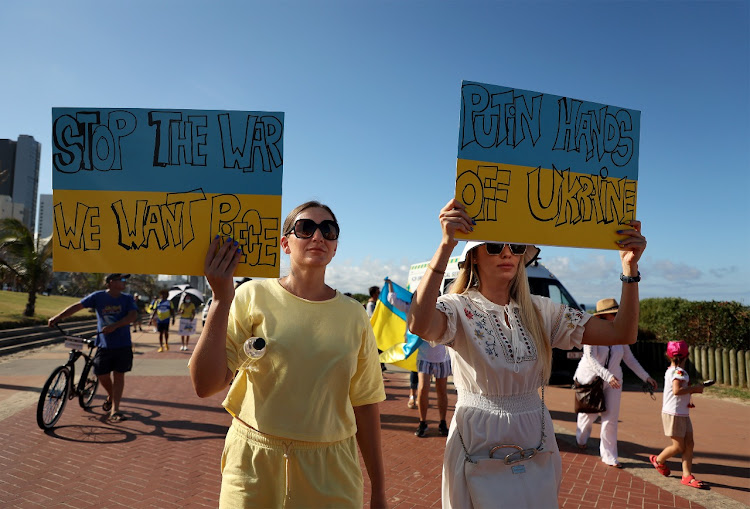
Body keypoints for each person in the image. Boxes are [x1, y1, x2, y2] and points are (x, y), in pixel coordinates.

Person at [408, 199, 647, 508]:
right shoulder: (458, 307)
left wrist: (630, 269)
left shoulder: (541, 310)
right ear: (473, 256)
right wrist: (445, 246)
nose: (507, 252)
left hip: (534, 431)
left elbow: (621, 333)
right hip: (476, 431)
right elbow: (418, 324)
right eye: (494, 245)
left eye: (517, 245)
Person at [190, 201, 387, 508]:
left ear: (335, 248)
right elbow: (205, 384)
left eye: (329, 230)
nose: (318, 236)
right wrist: (219, 300)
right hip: (253, 463)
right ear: (285, 243)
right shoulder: (251, 295)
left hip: (332, 468)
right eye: (306, 228)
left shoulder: (355, 315)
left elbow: (365, 403)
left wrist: (379, 488)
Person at [573, 298, 657, 467]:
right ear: (605, 316)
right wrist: (606, 375)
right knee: (589, 415)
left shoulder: (620, 332)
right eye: (615, 314)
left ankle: (609, 456)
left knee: (610, 418)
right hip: (591, 379)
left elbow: (629, 358)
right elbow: (590, 358)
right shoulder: (591, 331)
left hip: (614, 381)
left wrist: (645, 377)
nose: (618, 316)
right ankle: (581, 437)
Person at [48, 273, 137, 423]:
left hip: (123, 344)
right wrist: (57, 317)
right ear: (110, 282)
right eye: (121, 280)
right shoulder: (98, 297)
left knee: (119, 376)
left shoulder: (127, 299)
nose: (124, 282)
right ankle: (111, 395)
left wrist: (115, 326)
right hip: (104, 344)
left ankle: (115, 409)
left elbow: (132, 316)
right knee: (101, 374)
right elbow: (77, 306)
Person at [385, 279, 452, 437]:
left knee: (442, 391)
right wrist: (389, 284)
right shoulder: (413, 310)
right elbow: (392, 298)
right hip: (424, 358)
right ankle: (422, 422)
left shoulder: (444, 309)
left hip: (442, 357)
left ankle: (442, 422)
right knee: (422, 389)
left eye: (434, 294)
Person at [649, 340, 708, 489]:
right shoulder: (679, 372)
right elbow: (677, 391)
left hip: (681, 413)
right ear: (687, 355)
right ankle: (658, 460)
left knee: (689, 444)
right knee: (678, 446)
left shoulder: (673, 370)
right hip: (673, 413)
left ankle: (687, 476)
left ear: (668, 356)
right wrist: (695, 389)